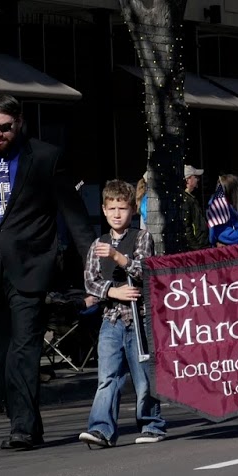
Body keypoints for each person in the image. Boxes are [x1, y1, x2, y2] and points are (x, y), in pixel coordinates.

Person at [0, 93, 96, 449]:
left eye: (4, 128)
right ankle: (24, 419)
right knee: (0, 352)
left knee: (24, 348)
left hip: (31, 267)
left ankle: (21, 428)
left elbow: (73, 214)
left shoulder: (46, 157)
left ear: (19, 122)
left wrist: (92, 265)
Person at [77, 180, 166, 446]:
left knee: (144, 377)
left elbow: (144, 271)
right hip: (111, 319)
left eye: (123, 208)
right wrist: (112, 292)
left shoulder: (141, 237)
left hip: (139, 319)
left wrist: (118, 258)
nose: (117, 214)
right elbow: (90, 281)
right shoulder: (97, 244)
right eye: (112, 208)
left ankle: (152, 424)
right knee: (107, 377)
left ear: (133, 210)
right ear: (104, 210)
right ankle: (101, 429)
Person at [208, 173, 238, 246]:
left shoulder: (228, 204)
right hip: (235, 250)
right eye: (237, 188)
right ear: (232, 190)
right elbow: (222, 232)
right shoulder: (219, 206)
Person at [183, 164, 209, 250]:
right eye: (195, 177)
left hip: (202, 244)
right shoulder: (185, 200)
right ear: (187, 179)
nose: (198, 179)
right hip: (197, 248)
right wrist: (196, 247)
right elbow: (186, 228)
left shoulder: (191, 198)